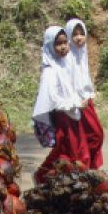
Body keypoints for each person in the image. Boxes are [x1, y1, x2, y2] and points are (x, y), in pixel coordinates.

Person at [32, 25, 89, 184]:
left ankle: (71, 181)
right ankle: (42, 176)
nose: (64, 46)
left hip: (73, 115)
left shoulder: (66, 63)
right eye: (58, 43)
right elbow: (54, 100)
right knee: (66, 153)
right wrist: (75, 104)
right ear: (50, 45)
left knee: (78, 152)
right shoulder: (50, 71)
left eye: (65, 42)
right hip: (63, 117)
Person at [64, 17, 104, 170]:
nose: (79, 37)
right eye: (75, 34)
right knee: (87, 138)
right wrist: (76, 100)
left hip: (87, 101)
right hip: (76, 104)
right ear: (68, 36)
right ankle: (87, 169)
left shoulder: (82, 52)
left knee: (95, 135)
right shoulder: (67, 57)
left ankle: (91, 169)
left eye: (81, 33)